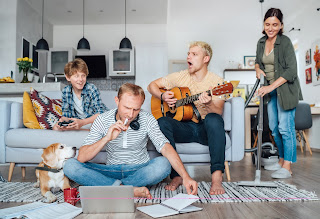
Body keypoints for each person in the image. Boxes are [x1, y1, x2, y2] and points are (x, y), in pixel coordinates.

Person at [63, 83, 197, 198]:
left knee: (164, 164)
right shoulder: (102, 119)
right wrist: (107, 138)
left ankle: (113, 188)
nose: (131, 114)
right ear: (117, 101)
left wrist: (186, 176)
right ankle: (125, 189)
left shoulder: (147, 119)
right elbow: (82, 157)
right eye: (127, 108)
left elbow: (166, 147)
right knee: (70, 166)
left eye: (136, 109)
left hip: (139, 170)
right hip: (110, 170)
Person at [147, 41, 226, 195]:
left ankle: (216, 179)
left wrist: (209, 103)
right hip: (185, 127)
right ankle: (176, 176)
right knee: (162, 121)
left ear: (206, 59)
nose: (188, 57)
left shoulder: (218, 83)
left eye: (194, 54)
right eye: (188, 54)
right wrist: (162, 95)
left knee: (213, 119)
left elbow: (218, 112)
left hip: (205, 129)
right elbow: (151, 86)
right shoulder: (181, 76)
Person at [255, 8, 303, 179]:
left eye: (275, 25)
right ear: (264, 24)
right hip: (271, 92)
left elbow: (291, 71)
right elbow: (257, 62)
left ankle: (288, 166)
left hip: (286, 91)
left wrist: (269, 87)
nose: (271, 28)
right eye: (267, 24)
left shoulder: (286, 42)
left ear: (281, 25)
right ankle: (282, 161)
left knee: (285, 127)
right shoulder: (261, 42)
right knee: (274, 129)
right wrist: (257, 69)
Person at [53, 58, 108, 131]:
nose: (81, 79)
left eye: (83, 75)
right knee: (56, 128)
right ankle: (81, 131)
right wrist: (62, 121)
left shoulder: (91, 88)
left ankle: (82, 131)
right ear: (68, 77)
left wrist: (82, 123)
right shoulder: (66, 91)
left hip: (93, 121)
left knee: (95, 127)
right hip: (79, 123)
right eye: (76, 76)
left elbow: (100, 114)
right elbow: (67, 115)